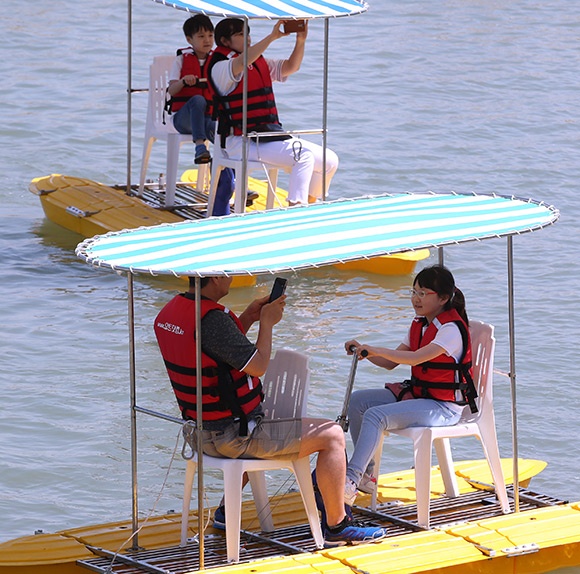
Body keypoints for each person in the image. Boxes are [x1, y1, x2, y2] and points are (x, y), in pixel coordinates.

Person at [154, 276, 387, 547]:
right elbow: (258, 365)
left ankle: (225, 513)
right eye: (228, 272)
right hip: (231, 437)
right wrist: (267, 323)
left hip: (198, 433)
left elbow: (210, 346)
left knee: (258, 420)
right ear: (215, 276)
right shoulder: (213, 320)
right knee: (332, 435)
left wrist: (249, 319)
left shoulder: (172, 311)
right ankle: (337, 526)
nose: (232, 276)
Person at [343, 265, 476, 506]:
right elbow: (389, 363)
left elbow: (415, 358)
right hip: (420, 396)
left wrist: (375, 349)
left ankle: (350, 481)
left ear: (444, 298)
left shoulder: (450, 330)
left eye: (424, 293)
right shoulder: (421, 324)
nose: (416, 299)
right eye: (413, 291)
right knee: (358, 401)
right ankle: (365, 476)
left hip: (445, 408)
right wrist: (366, 350)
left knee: (375, 416)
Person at [207, 18, 339, 206]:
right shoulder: (221, 67)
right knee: (303, 155)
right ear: (225, 41)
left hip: (266, 135)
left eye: (248, 33)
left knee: (329, 160)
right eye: (241, 35)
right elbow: (240, 63)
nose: (248, 39)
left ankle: (308, 204)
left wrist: (300, 40)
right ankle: (296, 210)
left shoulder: (258, 62)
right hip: (239, 141)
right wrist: (272, 36)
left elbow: (290, 67)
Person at [167, 14, 237, 216]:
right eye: (201, 36)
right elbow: (171, 91)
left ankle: (229, 183)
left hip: (207, 119)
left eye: (210, 35)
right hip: (183, 119)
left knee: (220, 131)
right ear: (189, 40)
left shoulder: (218, 61)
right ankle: (199, 146)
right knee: (197, 100)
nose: (207, 40)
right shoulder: (181, 60)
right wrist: (184, 81)